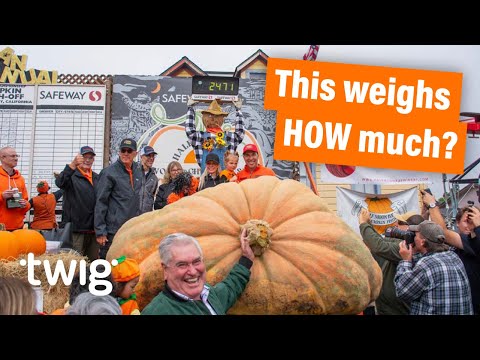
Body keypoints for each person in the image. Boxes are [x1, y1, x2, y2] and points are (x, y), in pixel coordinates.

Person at [141, 229, 254, 315]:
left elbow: (230, 288)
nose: (193, 271)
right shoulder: (157, 311)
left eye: (196, 262)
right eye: (182, 264)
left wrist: (247, 259)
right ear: (165, 270)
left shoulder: (209, 295)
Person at [394, 220, 473, 315]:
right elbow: (431, 260)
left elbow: (402, 291)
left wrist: (406, 261)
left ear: (423, 242)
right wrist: (414, 253)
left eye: (415, 235)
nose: (413, 237)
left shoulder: (426, 264)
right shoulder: (453, 256)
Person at [421, 190, 480, 314]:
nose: (470, 226)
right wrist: (426, 213)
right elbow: (425, 236)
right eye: (466, 221)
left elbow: (442, 232)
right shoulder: (457, 243)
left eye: (473, 221)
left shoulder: (472, 242)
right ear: (457, 223)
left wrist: (433, 205)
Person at [358, 209, 424, 315]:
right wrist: (368, 224)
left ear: (411, 229)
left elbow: (378, 246)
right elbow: (379, 240)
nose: (396, 225)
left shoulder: (407, 248)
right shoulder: (402, 243)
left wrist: (363, 224)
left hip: (397, 310)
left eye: (400, 223)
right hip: (388, 308)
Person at [95, 138, 143, 259]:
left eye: (129, 151)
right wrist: (100, 231)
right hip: (113, 231)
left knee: (126, 261)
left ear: (135, 153)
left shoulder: (138, 171)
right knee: (109, 263)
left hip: (131, 228)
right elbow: (101, 202)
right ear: (119, 152)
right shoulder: (109, 173)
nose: (126, 153)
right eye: (123, 150)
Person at [55, 146, 100, 262]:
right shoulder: (71, 175)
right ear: (78, 157)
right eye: (85, 157)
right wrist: (72, 165)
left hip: (93, 229)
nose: (87, 160)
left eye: (90, 158)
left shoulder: (97, 177)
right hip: (76, 229)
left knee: (92, 264)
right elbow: (60, 182)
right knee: (74, 263)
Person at [185, 98, 245, 173]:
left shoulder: (229, 137)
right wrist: (190, 109)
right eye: (210, 116)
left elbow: (240, 133)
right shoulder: (200, 137)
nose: (213, 119)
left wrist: (238, 110)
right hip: (206, 179)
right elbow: (189, 130)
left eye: (216, 116)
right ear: (205, 117)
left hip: (225, 179)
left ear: (221, 118)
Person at [0, 146, 31, 231]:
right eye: (13, 156)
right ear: (3, 158)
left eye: (17, 156)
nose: (16, 158)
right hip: (1, 227)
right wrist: (2, 196)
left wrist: (25, 204)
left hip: (18, 227)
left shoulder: (20, 179)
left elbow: (27, 204)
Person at [138, 145, 159, 214]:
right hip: (131, 215)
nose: (151, 158)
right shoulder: (133, 173)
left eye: (153, 156)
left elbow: (152, 197)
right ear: (141, 157)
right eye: (148, 156)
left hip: (145, 217)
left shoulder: (154, 178)